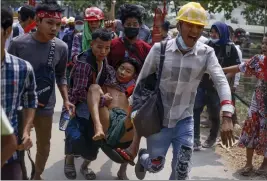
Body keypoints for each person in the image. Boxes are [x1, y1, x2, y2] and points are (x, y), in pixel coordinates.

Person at [128, 2, 235, 180]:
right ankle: (144, 158)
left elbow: (222, 81)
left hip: (185, 120)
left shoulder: (206, 53)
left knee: (182, 170)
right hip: (158, 120)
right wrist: (133, 116)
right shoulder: (159, 50)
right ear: (179, 25)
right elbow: (141, 83)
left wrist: (227, 114)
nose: (194, 30)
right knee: (155, 166)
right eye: (190, 25)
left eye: (199, 26)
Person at [8, 0, 75, 179]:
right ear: (37, 21)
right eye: (50, 23)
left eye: (58, 24)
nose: (55, 28)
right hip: (20, 106)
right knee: (18, 143)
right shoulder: (18, 44)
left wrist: (66, 99)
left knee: (44, 145)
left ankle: (37, 175)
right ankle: (20, 174)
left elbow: (61, 76)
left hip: (46, 105)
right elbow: (9, 72)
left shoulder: (61, 47)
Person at [65, 28, 113, 180]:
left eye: (107, 48)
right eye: (99, 47)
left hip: (97, 108)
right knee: (76, 139)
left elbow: (109, 78)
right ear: (91, 44)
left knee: (94, 143)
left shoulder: (103, 61)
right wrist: (103, 99)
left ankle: (85, 166)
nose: (103, 51)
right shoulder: (84, 64)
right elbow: (79, 92)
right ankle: (69, 161)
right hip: (79, 108)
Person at [87, 58, 139, 179]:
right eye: (121, 68)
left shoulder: (135, 88)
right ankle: (85, 164)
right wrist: (103, 98)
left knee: (137, 116)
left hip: (125, 124)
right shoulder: (107, 80)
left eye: (128, 71)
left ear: (133, 76)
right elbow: (100, 62)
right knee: (94, 87)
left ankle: (123, 170)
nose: (122, 72)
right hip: (106, 120)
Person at [222, 35, 267, 176]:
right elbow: (240, 67)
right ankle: (248, 164)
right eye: (263, 43)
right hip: (257, 103)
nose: (264, 46)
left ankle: (264, 165)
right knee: (250, 130)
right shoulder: (258, 60)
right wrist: (220, 71)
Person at [1, 7, 37, 179]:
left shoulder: (22, 68)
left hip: (10, 154)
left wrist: (27, 131)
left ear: (7, 32)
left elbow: (30, 100)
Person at [193, 21, 241, 151]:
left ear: (223, 33)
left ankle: (212, 137)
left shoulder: (231, 49)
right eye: (211, 32)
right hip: (202, 84)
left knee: (214, 114)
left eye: (216, 32)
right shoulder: (208, 45)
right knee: (195, 109)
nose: (213, 35)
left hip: (217, 88)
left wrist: (223, 78)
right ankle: (195, 138)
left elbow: (236, 69)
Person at [108, 4, 151, 69]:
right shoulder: (112, 45)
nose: (131, 26)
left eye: (135, 24)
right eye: (128, 24)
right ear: (122, 25)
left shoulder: (146, 49)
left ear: (140, 25)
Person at [228, 25, 243, 126]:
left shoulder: (236, 49)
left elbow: (239, 68)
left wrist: (235, 84)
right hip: (227, 76)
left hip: (231, 78)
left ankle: (234, 121)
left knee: (231, 100)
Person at [62, 15, 84, 84]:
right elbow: (63, 51)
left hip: (81, 66)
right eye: (78, 23)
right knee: (68, 84)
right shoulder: (67, 36)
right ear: (74, 23)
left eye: (81, 23)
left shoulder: (85, 37)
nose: (79, 25)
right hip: (68, 66)